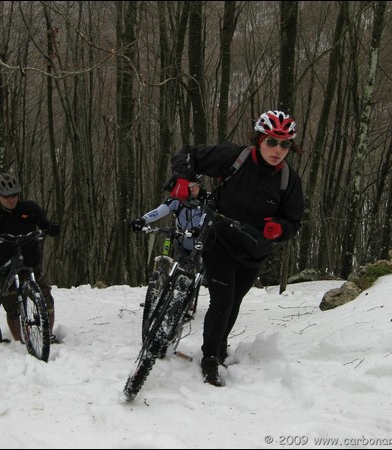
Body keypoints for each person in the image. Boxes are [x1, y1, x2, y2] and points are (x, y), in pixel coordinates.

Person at [167, 110, 304, 386]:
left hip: (254, 251)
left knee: (234, 303)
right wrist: (183, 178)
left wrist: (280, 229)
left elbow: (293, 220)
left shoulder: (289, 180)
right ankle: (209, 359)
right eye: (271, 142)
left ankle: (219, 345)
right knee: (223, 300)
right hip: (220, 239)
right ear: (258, 139)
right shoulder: (235, 158)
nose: (278, 150)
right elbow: (187, 155)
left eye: (285, 144)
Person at [0, 173, 61, 344]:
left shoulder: (30, 209)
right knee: (12, 306)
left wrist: (52, 228)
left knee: (45, 299)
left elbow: (46, 224)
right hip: (7, 267)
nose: (11, 200)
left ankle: (47, 335)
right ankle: (19, 340)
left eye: (14, 195)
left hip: (31, 264)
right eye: (6, 197)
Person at [129, 178, 211, 260]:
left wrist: (200, 229)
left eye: (194, 186)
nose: (192, 189)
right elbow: (160, 210)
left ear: (199, 185)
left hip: (207, 246)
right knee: (180, 270)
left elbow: (210, 217)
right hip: (183, 246)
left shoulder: (210, 198)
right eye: (188, 187)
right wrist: (143, 220)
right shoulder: (178, 199)